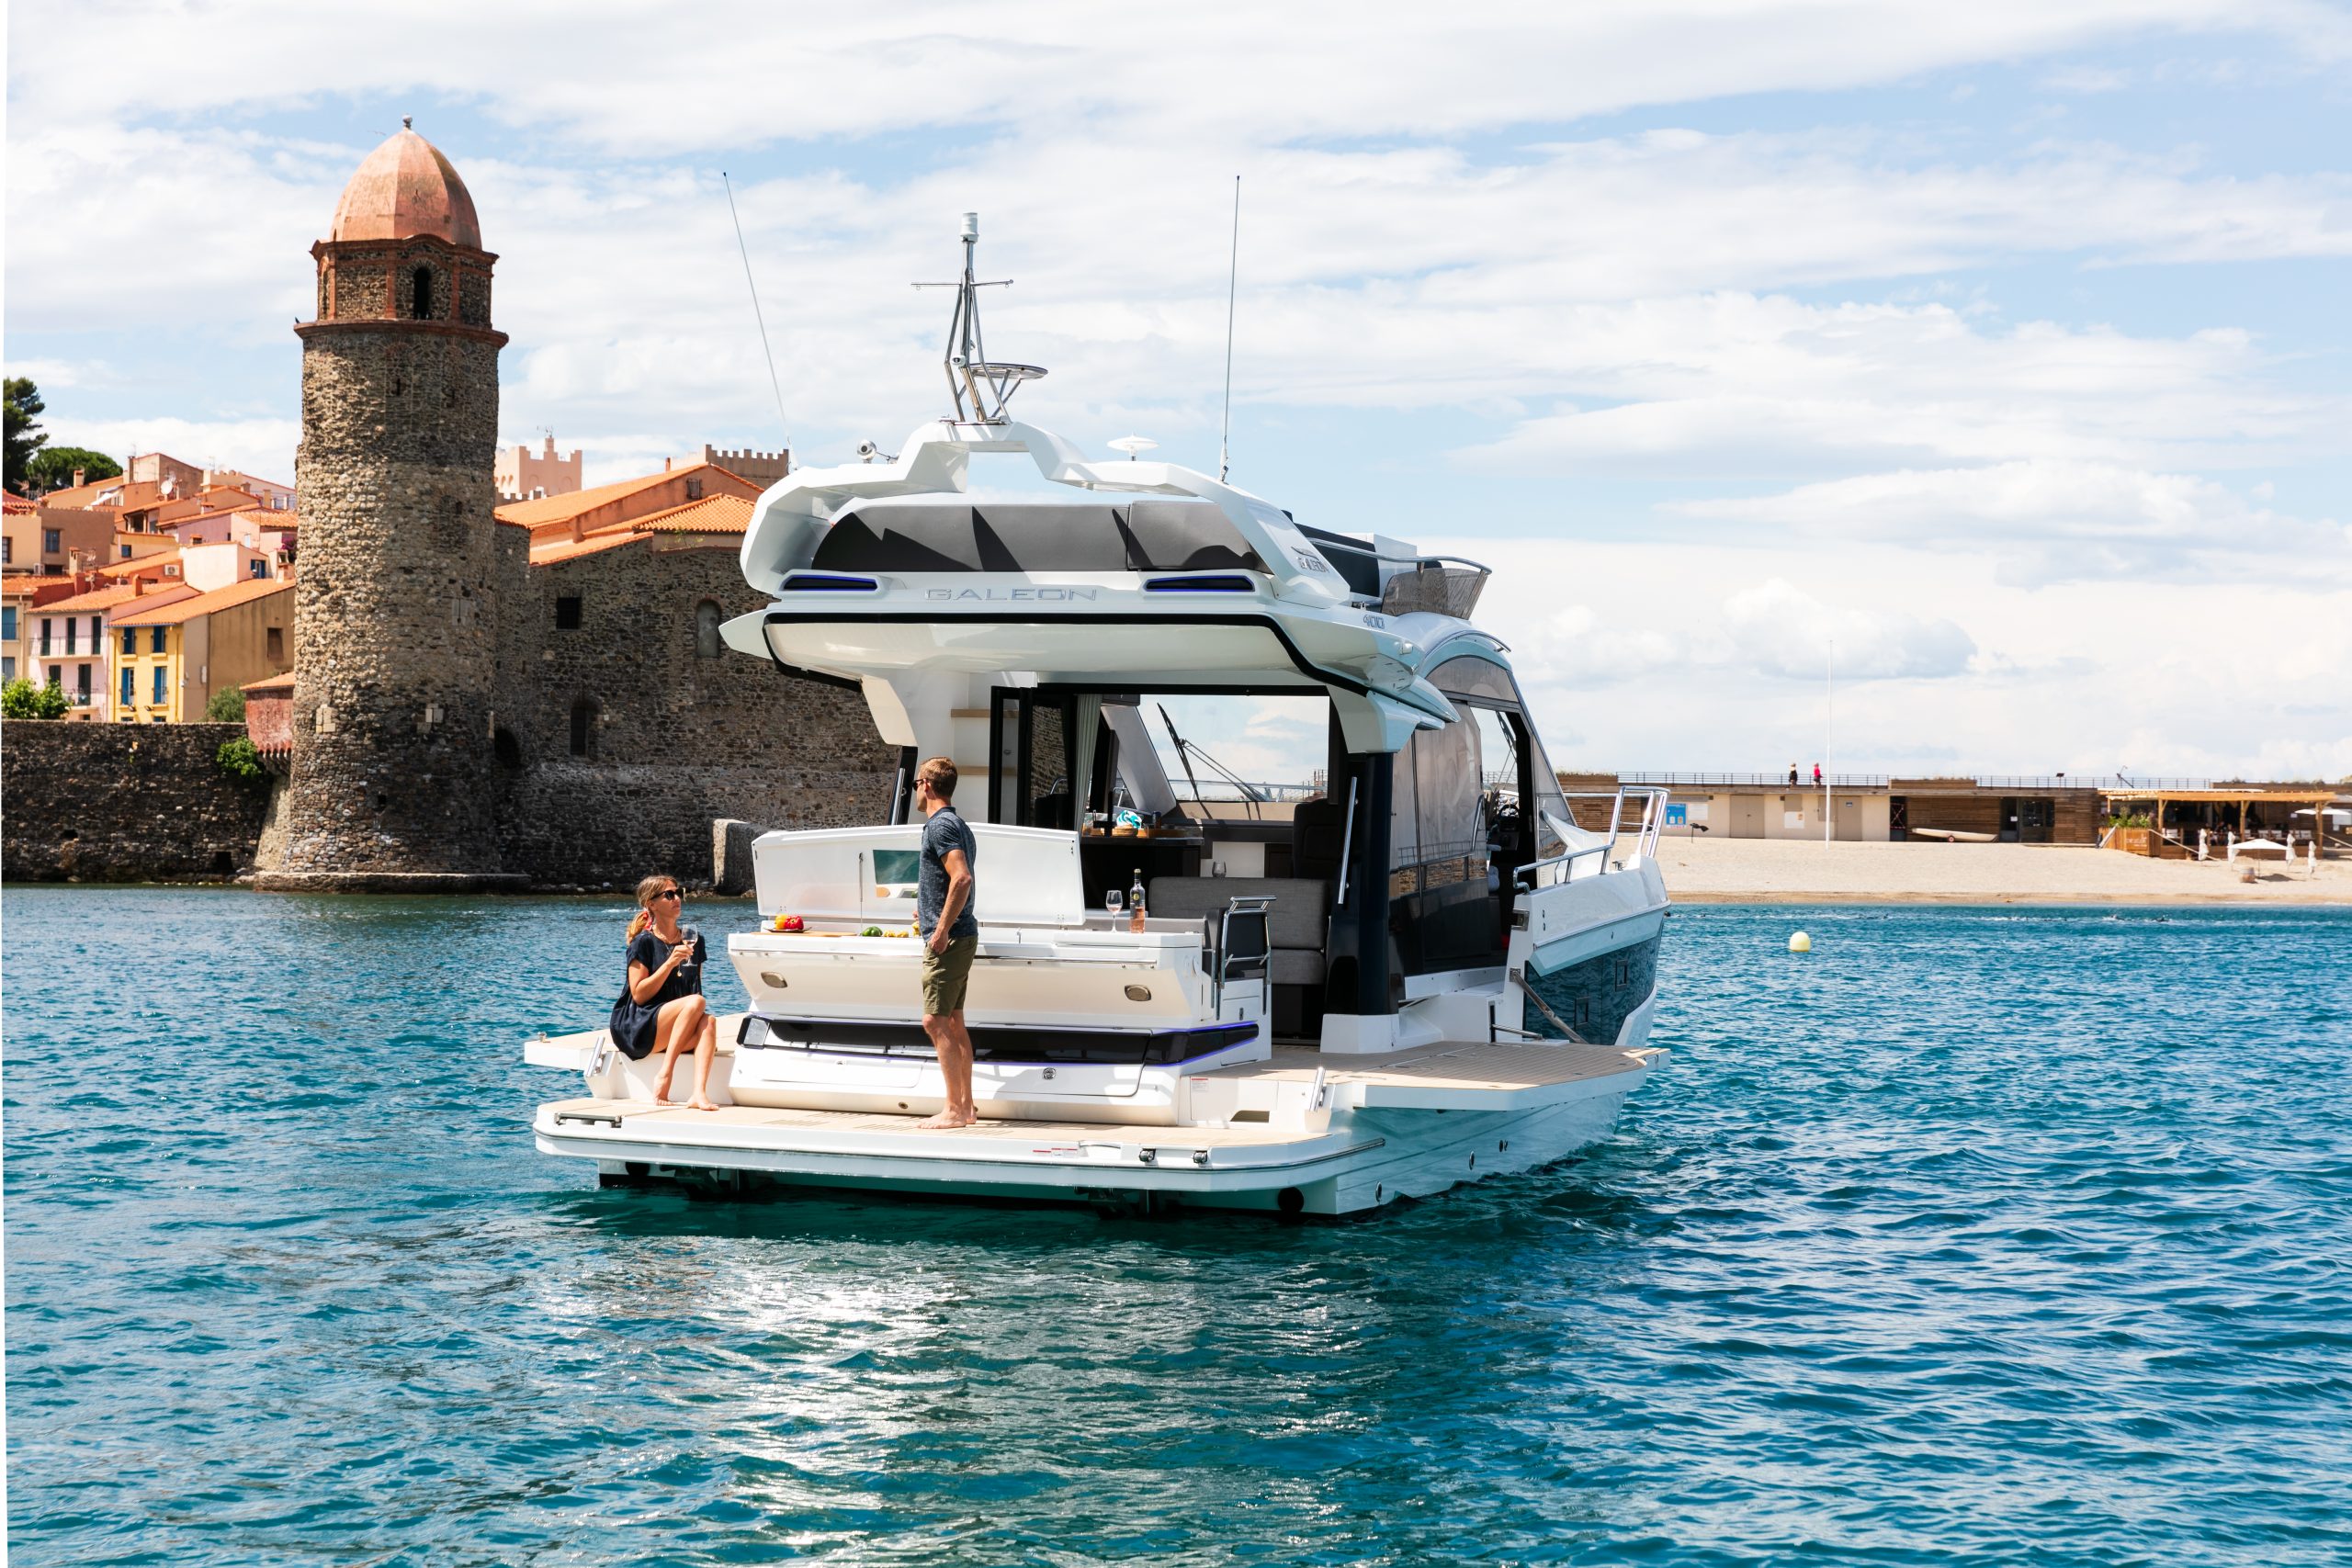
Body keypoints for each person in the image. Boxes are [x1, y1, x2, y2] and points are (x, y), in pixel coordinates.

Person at [606, 874, 718, 1111]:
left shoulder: (695, 941)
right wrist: (669, 963)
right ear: (651, 904)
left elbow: (693, 987)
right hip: (638, 1026)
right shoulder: (643, 943)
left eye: (679, 893)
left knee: (708, 1022)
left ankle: (698, 1094)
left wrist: (695, 1027)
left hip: (673, 1024)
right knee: (697, 1002)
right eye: (669, 894)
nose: (677, 898)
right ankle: (665, 1074)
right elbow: (639, 995)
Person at [912, 756, 979, 1129]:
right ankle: (966, 1107)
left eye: (917, 785)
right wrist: (926, 910)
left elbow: (961, 878)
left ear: (926, 785)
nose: (916, 793)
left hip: (950, 941)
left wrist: (939, 930)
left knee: (934, 1022)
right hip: (961, 934)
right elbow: (948, 881)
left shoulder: (940, 827)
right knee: (954, 1023)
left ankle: (954, 1110)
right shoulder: (959, 826)